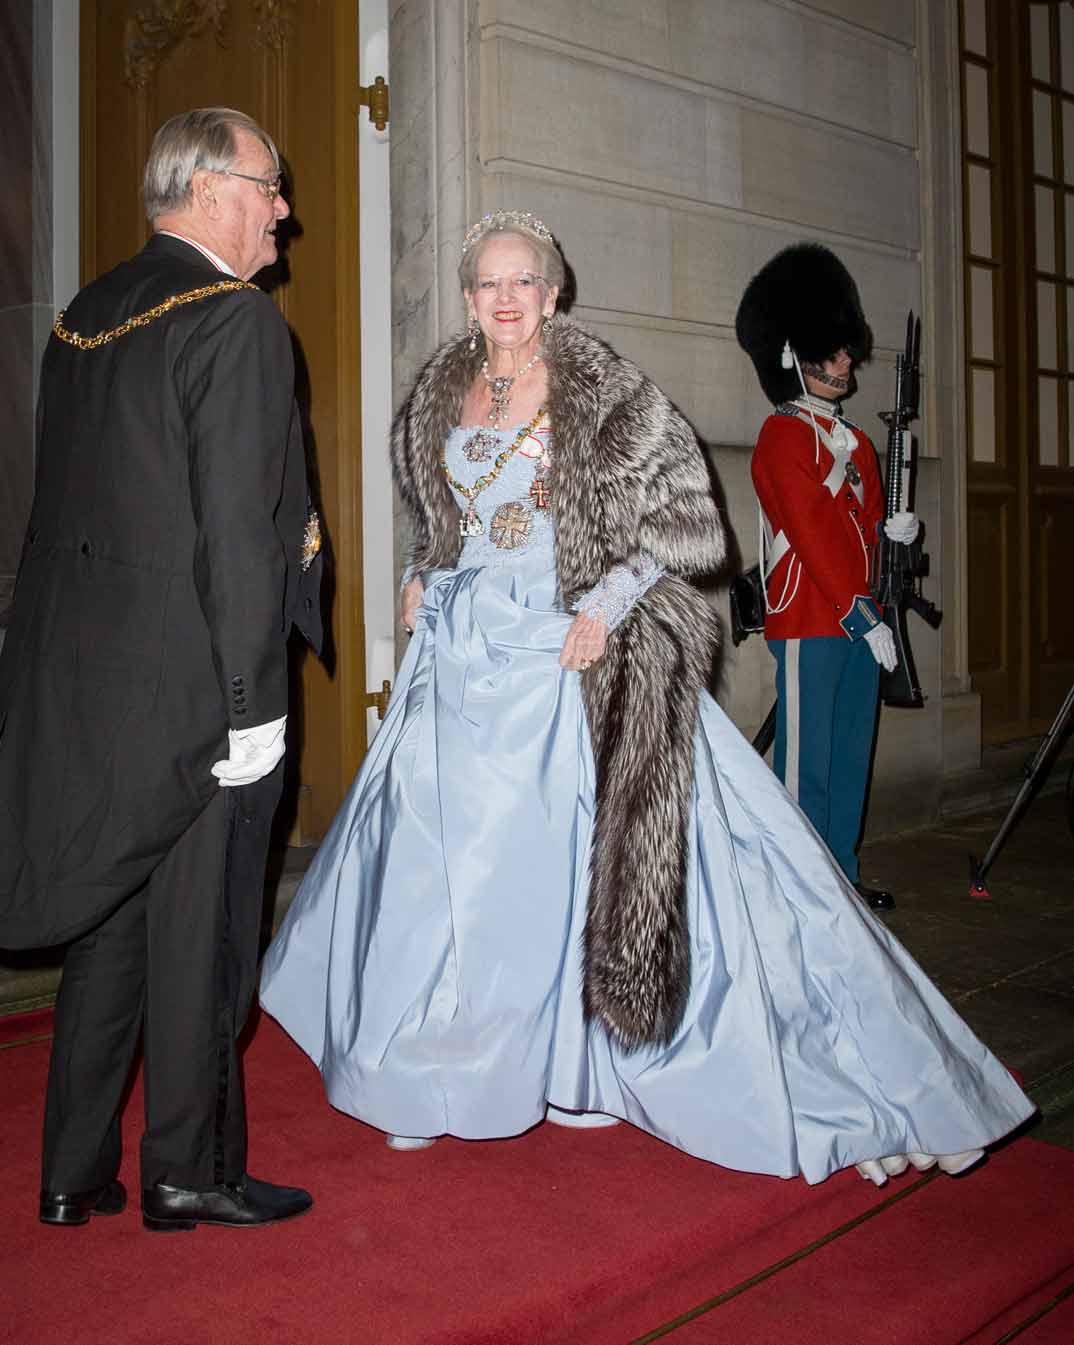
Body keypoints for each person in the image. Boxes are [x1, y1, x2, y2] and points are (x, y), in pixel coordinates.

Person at [261, 211, 1032, 1187]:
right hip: (460, 655)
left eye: (522, 281)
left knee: (571, 861)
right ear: (469, 300)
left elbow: (681, 520)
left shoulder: (597, 390)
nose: (505, 299)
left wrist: (610, 605)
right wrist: (424, 567)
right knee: (446, 864)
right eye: (488, 284)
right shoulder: (446, 389)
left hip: (562, 651)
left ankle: (583, 1065)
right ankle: (431, 1064)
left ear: (553, 292)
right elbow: (445, 511)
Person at [0, 108, 322, 1230]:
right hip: (195, 693)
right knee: (201, 931)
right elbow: (237, 535)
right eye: (271, 185)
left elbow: (63, 517)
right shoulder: (232, 321)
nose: (285, 209)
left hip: (90, 687)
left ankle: (71, 1169)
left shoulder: (84, 314)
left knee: (111, 922)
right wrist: (251, 711)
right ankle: (191, 1167)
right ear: (208, 189)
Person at [737, 243, 913, 912]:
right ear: (793, 352)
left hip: (860, 618)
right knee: (805, 766)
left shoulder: (859, 443)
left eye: (844, 348)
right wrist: (861, 616)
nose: (846, 361)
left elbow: (858, 527)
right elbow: (810, 533)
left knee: (848, 758)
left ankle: (839, 873)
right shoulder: (783, 438)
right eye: (830, 349)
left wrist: (890, 532)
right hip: (816, 619)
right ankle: (795, 884)